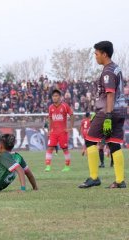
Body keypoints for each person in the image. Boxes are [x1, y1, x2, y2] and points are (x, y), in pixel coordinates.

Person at [79, 41, 127, 189]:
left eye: (97, 53)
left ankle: (94, 177)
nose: (95, 56)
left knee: (90, 141)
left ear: (104, 54)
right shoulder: (116, 68)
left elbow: (110, 94)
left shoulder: (107, 71)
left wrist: (107, 116)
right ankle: (120, 181)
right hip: (121, 111)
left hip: (109, 111)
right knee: (114, 144)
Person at [44, 89, 74, 172]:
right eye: (53, 96)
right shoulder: (50, 107)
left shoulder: (65, 106)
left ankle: (67, 166)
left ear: (60, 97)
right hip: (53, 132)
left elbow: (71, 115)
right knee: (50, 148)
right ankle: (48, 166)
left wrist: (70, 127)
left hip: (62, 132)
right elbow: (50, 119)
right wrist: (49, 130)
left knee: (65, 149)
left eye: (56, 96)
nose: (54, 97)